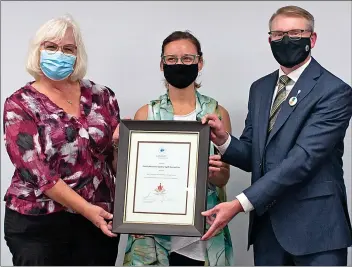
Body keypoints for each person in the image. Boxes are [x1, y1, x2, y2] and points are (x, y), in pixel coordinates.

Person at [200, 5, 352, 266]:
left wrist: (238, 204)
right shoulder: (260, 88)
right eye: (278, 34)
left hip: (316, 231)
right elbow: (254, 155)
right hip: (268, 230)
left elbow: (302, 160)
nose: (286, 40)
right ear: (269, 39)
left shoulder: (334, 91)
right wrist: (223, 140)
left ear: (312, 39)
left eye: (295, 33)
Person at [3, 14, 120, 266]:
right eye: (51, 47)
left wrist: (122, 146)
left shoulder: (103, 96)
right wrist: (87, 210)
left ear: (78, 55)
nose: (60, 54)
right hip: (38, 223)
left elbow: (113, 165)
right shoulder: (19, 104)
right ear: (38, 51)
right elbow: (38, 174)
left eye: (68, 49)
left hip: (97, 219)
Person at [122, 31, 234, 266]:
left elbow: (223, 178)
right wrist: (117, 145)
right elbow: (130, 178)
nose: (179, 64)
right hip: (152, 237)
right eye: (171, 59)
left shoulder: (217, 113)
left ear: (199, 62)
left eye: (187, 58)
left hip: (202, 235)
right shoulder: (146, 113)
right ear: (162, 65)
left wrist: (216, 171)